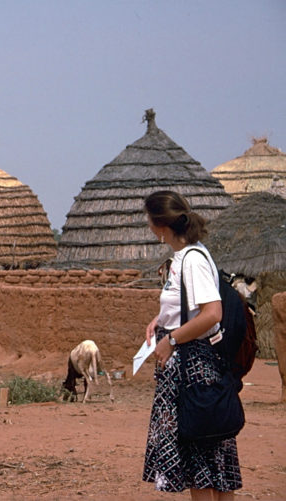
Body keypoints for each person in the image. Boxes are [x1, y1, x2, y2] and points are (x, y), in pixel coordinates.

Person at [142, 190, 241, 500]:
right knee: (211, 461)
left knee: (202, 459)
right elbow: (190, 308)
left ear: (159, 224)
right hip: (192, 368)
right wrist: (161, 320)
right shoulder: (186, 257)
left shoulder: (192, 260)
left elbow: (212, 313)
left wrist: (171, 339)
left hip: (194, 370)